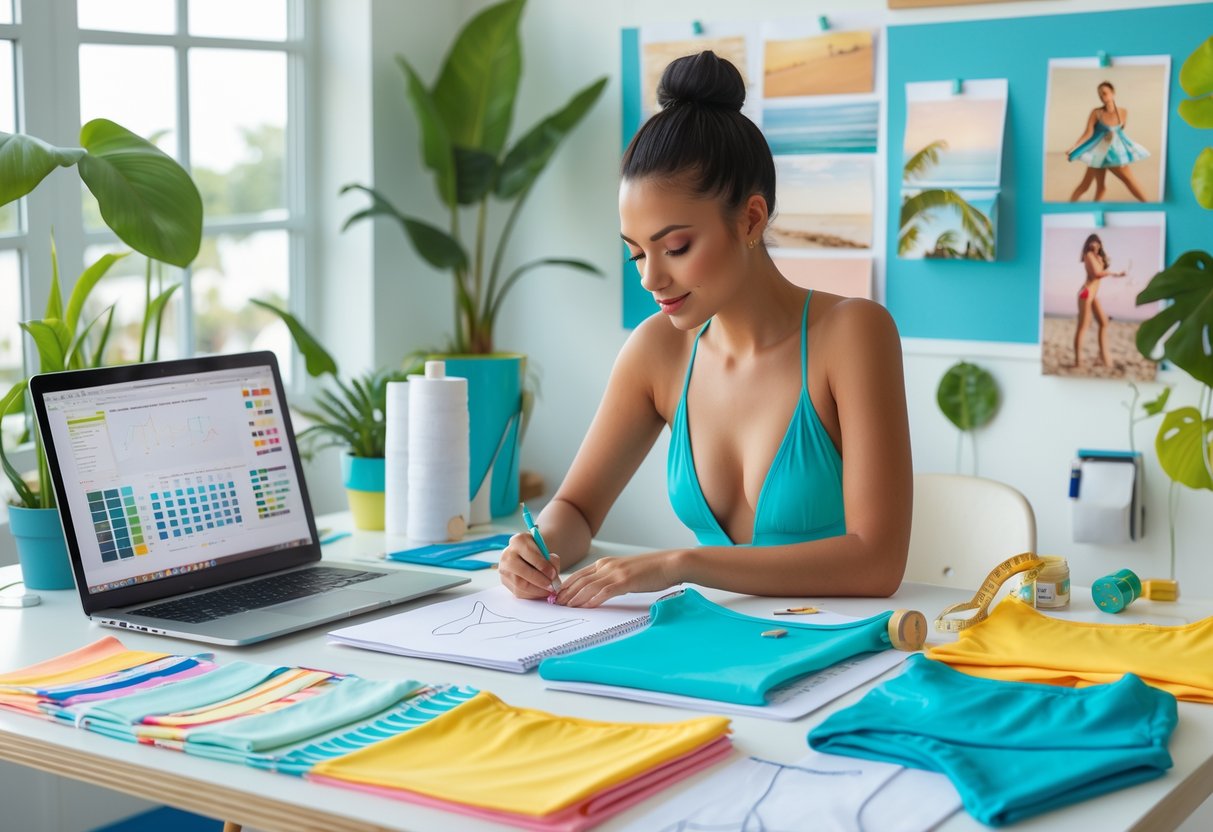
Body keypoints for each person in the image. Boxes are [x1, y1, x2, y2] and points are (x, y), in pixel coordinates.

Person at [499, 51, 912, 608]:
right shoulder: (657, 350)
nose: (651, 278)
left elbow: (876, 562)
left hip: (839, 649)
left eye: (675, 248)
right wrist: (537, 547)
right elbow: (576, 509)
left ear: (751, 219)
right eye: (636, 254)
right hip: (713, 645)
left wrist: (679, 563)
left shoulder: (854, 334)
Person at [1066, 81, 1150, 202]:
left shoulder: (1123, 112)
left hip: (1116, 154)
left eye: (1104, 93)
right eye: (1100, 95)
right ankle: (1070, 208)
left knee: (1129, 181)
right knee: (1089, 185)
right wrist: (1074, 147)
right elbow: (1088, 133)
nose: (1102, 97)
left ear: (1113, 93)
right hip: (1099, 154)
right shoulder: (1096, 113)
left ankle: (1148, 206)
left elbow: (1120, 133)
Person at [1071, 233, 1126, 369]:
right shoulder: (1088, 255)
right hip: (1086, 292)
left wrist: (1105, 263)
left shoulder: (1098, 257)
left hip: (1093, 294)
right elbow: (1097, 274)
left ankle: (1102, 356)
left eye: (1097, 243)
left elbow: (1102, 270)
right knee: (1083, 326)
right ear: (1088, 244)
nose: (1094, 245)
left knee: (1103, 322)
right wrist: (1114, 273)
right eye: (1092, 242)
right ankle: (1078, 362)